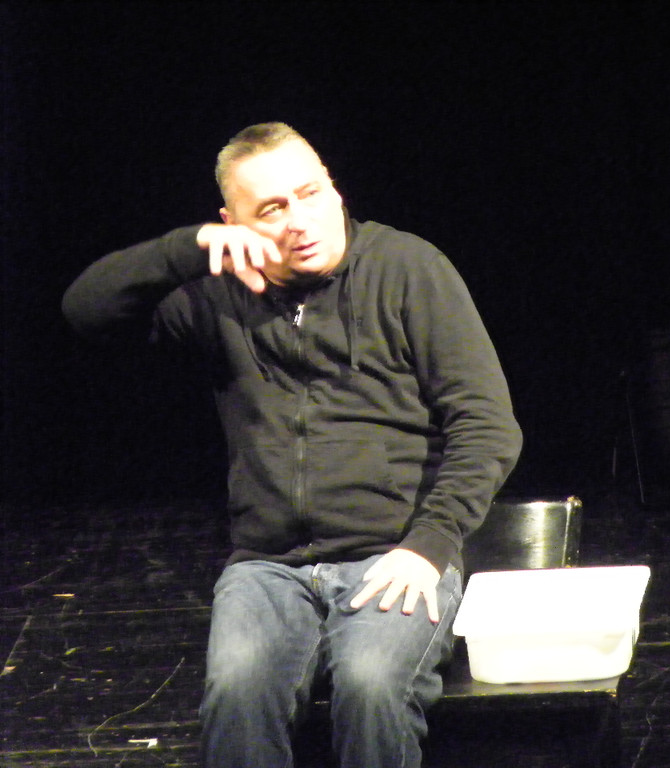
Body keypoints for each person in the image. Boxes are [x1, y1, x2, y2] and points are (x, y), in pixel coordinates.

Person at [62, 122, 523, 768]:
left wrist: (429, 544)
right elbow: (86, 311)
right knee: (237, 694)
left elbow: (488, 423)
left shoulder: (408, 267)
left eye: (310, 194)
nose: (300, 221)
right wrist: (186, 249)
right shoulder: (220, 294)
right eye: (272, 209)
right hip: (269, 565)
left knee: (372, 687)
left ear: (334, 187)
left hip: (394, 553)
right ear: (233, 224)